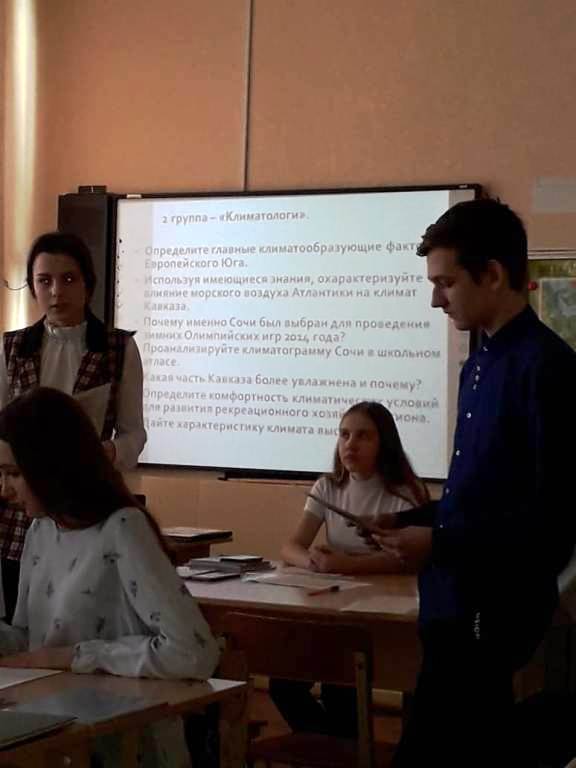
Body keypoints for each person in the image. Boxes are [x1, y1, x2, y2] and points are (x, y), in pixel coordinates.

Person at [367, 199, 576, 767]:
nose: (437, 300)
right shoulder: (478, 363)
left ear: (494, 275)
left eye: (447, 283)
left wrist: (441, 542)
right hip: (450, 603)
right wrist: (408, 520)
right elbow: (480, 495)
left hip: (495, 608)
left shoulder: (546, 367)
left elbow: (552, 516)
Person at [0, 387, 218, 767]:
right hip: (55, 728)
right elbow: (31, 640)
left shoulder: (122, 529)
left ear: (50, 465)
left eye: (14, 474)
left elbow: (193, 653)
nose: (4, 490)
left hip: (125, 741)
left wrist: (74, 657)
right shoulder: (41, 530)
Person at [0, 231, 146, 620]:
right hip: (23, 510)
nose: (56, 292)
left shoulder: (118, 348)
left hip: (89, 502)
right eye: (44, 280)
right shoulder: (12, 348)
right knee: (20, 614)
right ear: (32, 286)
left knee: (83, 611)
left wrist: (108, 451)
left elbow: (134, 432)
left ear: (88, 283)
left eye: (68, 279)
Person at [270, 401, 429, 738]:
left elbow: (406, 559)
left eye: (363, 436)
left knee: (348, 685)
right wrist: (315, 562)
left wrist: (348, 565)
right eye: (344, 435)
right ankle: (334, 747)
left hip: (390, 613)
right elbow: (290, 547)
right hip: (336, 606)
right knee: (283, 684)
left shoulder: (405, 493)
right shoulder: (328, 486)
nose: (350, 444)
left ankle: (352, 749)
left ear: (384, 443)